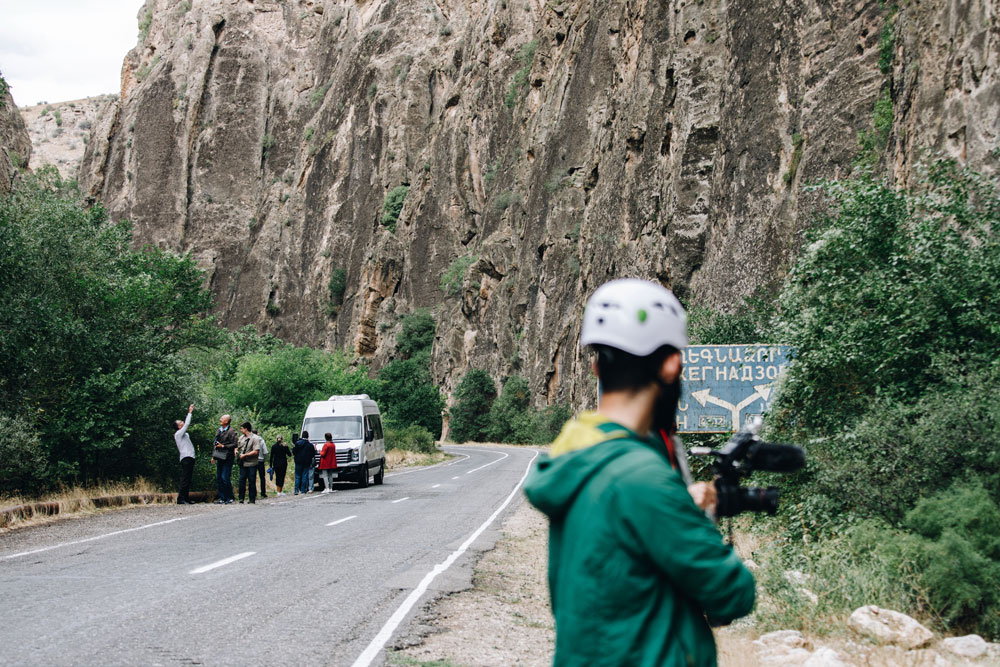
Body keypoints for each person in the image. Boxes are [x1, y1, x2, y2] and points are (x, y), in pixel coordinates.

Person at [524, 278, 756, 667]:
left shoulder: (579, 453)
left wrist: (680, 504)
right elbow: (732, 592)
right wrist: (696, 518)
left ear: (597, 367)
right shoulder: (642, 478)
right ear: (672, 365)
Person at [212, 414, 239, 504]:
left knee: (225, 477)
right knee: (219, 477)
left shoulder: (231, 431)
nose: (220, 419)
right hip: (219, 456)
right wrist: (213, 456)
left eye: (222, 418)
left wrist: (223, 446)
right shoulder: (219, 430)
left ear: (226, 421)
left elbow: (235, 444)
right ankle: (222, 498)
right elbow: (215, 444)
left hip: (228, 457)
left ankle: (230, 497)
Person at [173, 404, 196, 504]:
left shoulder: (185, 434)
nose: (183, 422)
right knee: (185, 478)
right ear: (179, 426)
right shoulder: (178, 434)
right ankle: (181, 498)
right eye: (181, 422)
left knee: (188, 479)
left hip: (190, 457)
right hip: (186, 457)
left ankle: (186, 498)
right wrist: (189, 413)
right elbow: (187, 424)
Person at [236, 421, 261, 504]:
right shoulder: (241, 437)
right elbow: (237, 446)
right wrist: (236, 450)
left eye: (242, 428)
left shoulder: (255, 438)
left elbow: (256, 451)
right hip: (243, 463)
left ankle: (252, 498)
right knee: (242, 480)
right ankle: (241, 498)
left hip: (252, 463)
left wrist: (245, 455)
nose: (241, 430)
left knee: (251, 480)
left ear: (246, 429)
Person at [292, 431, 314, 495]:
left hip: (298, 462)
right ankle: (303, 490)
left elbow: (294, 452)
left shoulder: (297, 443)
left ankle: (296, 490)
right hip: (306, 462)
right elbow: (313, 454)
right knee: (304, 476)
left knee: (297, 476)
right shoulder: (310, 445)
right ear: (308, 436)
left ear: (302, 436)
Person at [253, 428, 268, 498]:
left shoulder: (251, 440)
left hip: (253, 461)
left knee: (253, 477)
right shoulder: (261, 441)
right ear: (257, 433)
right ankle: (263, 493)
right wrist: (264, 459)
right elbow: (265, 452)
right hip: (261, 461)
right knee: (262, 477)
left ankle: (254, 493)